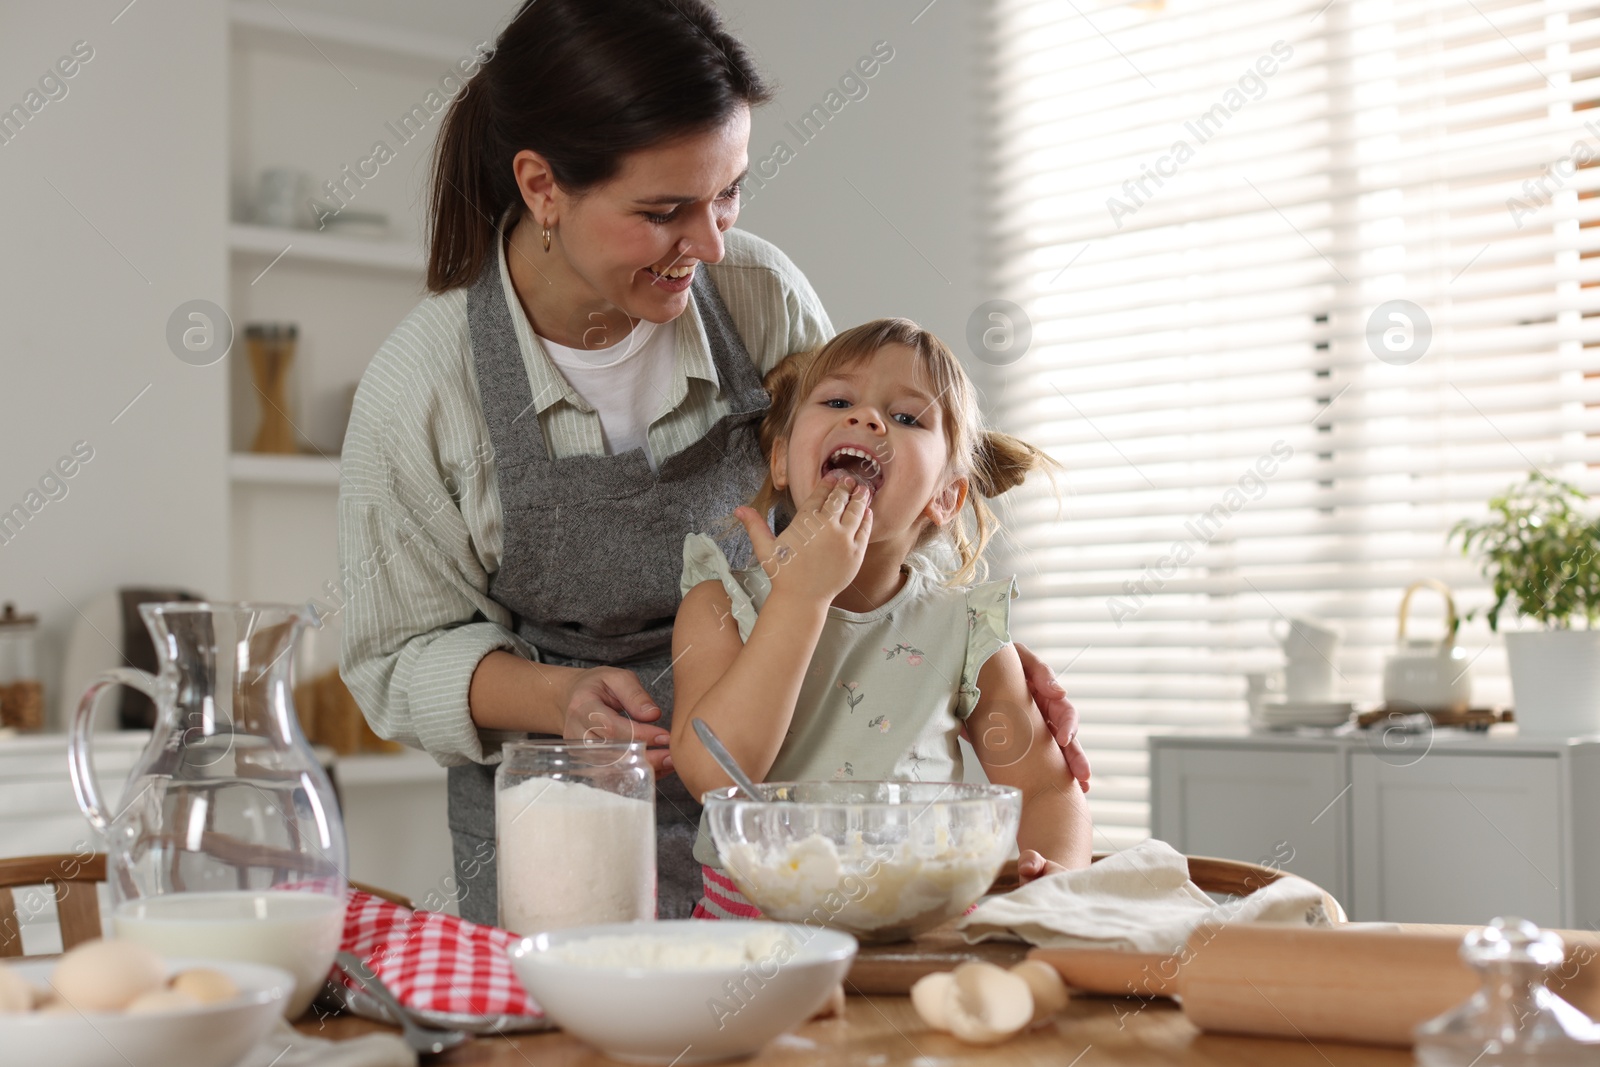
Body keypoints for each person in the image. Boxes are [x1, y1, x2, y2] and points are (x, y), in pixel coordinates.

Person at [338, 0, 1089, 927]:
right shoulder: (424, 386)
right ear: (542, 186)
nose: (711, 241)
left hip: (789, 834)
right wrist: (558, 695)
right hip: (568, 816)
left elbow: (857, 495)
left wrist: (952, 648)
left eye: (728, 191)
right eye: (664, 211)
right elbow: (391, 656)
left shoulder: (758, 295)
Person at [670, 319, 1093, 918]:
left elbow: (1046, 787)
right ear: (783, 461)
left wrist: (1055, 885)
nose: (867, 420)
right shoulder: (719, 604)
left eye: (907, 418)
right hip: (753, 936)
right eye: (839, 402)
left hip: (920, 921)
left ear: (945, 498)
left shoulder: (967, 628)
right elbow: (715, 776)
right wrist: (800, 599)